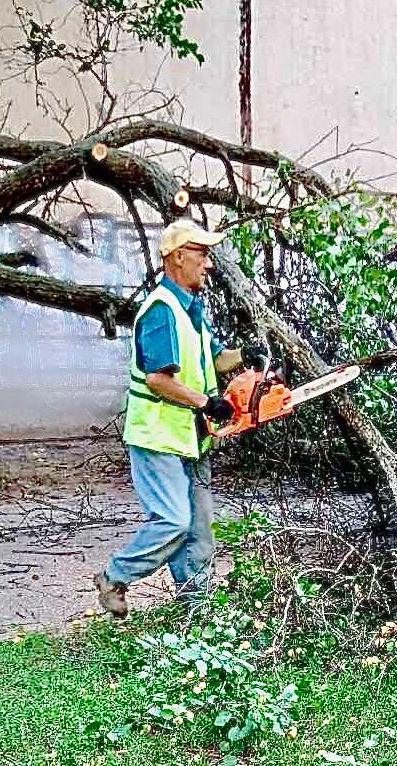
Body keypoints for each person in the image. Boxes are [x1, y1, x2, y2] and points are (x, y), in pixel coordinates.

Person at [93, 217, 267, 617]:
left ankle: (197, 615)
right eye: (202, 254)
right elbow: (158, 379)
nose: (208, 264)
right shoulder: (161, 311)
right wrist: (207, 403)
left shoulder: (191, 310)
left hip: (191, 438)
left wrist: (246, 355)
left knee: (199, 534)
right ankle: (114, 576)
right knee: (173, 521)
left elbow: (216, 358)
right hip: (158, 436)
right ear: (176, 257)